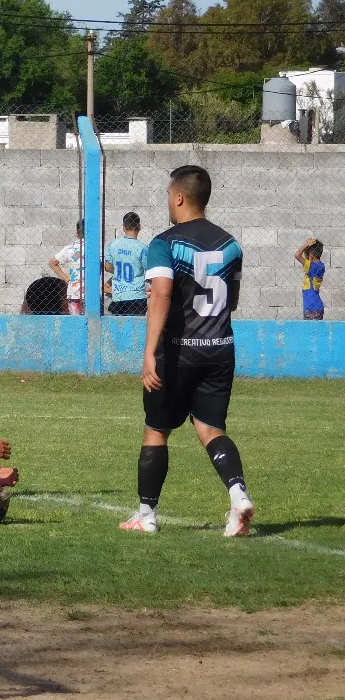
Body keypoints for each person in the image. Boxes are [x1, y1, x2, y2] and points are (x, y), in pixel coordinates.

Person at [121, 164, 253, 538]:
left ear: (178, 197)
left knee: (157, 430)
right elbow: (234, 302)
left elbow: (161, 293)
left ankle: (146, 515)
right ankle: (238, 495)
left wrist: (149, 353)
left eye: (168, 195)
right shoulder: (231, 245)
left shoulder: (164, 243)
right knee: (211, 428)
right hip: (220, 349)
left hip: (177, 353)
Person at [104, 212, 149, 316]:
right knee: (136, 328)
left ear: (123, 227)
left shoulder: (113, 244)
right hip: (137, 295)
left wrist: (118, 271)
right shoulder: (142, 248)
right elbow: (148, 269)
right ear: (139, 227)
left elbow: (108, 267)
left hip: (119, 294)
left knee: (119, 327)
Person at [48, 220, 84, 315]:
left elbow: (52, 263)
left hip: (75, 292)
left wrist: (66, 278)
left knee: (76, 322)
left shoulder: (70, 248)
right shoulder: (98, 248)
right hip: (93, 293)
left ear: (77, 234)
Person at [294, 237, 326, 320]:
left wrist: (306, 245)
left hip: (312, 309)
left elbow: (297, 255)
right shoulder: (320, 266)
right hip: (315, 308)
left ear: (310, 256)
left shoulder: (311, 266)